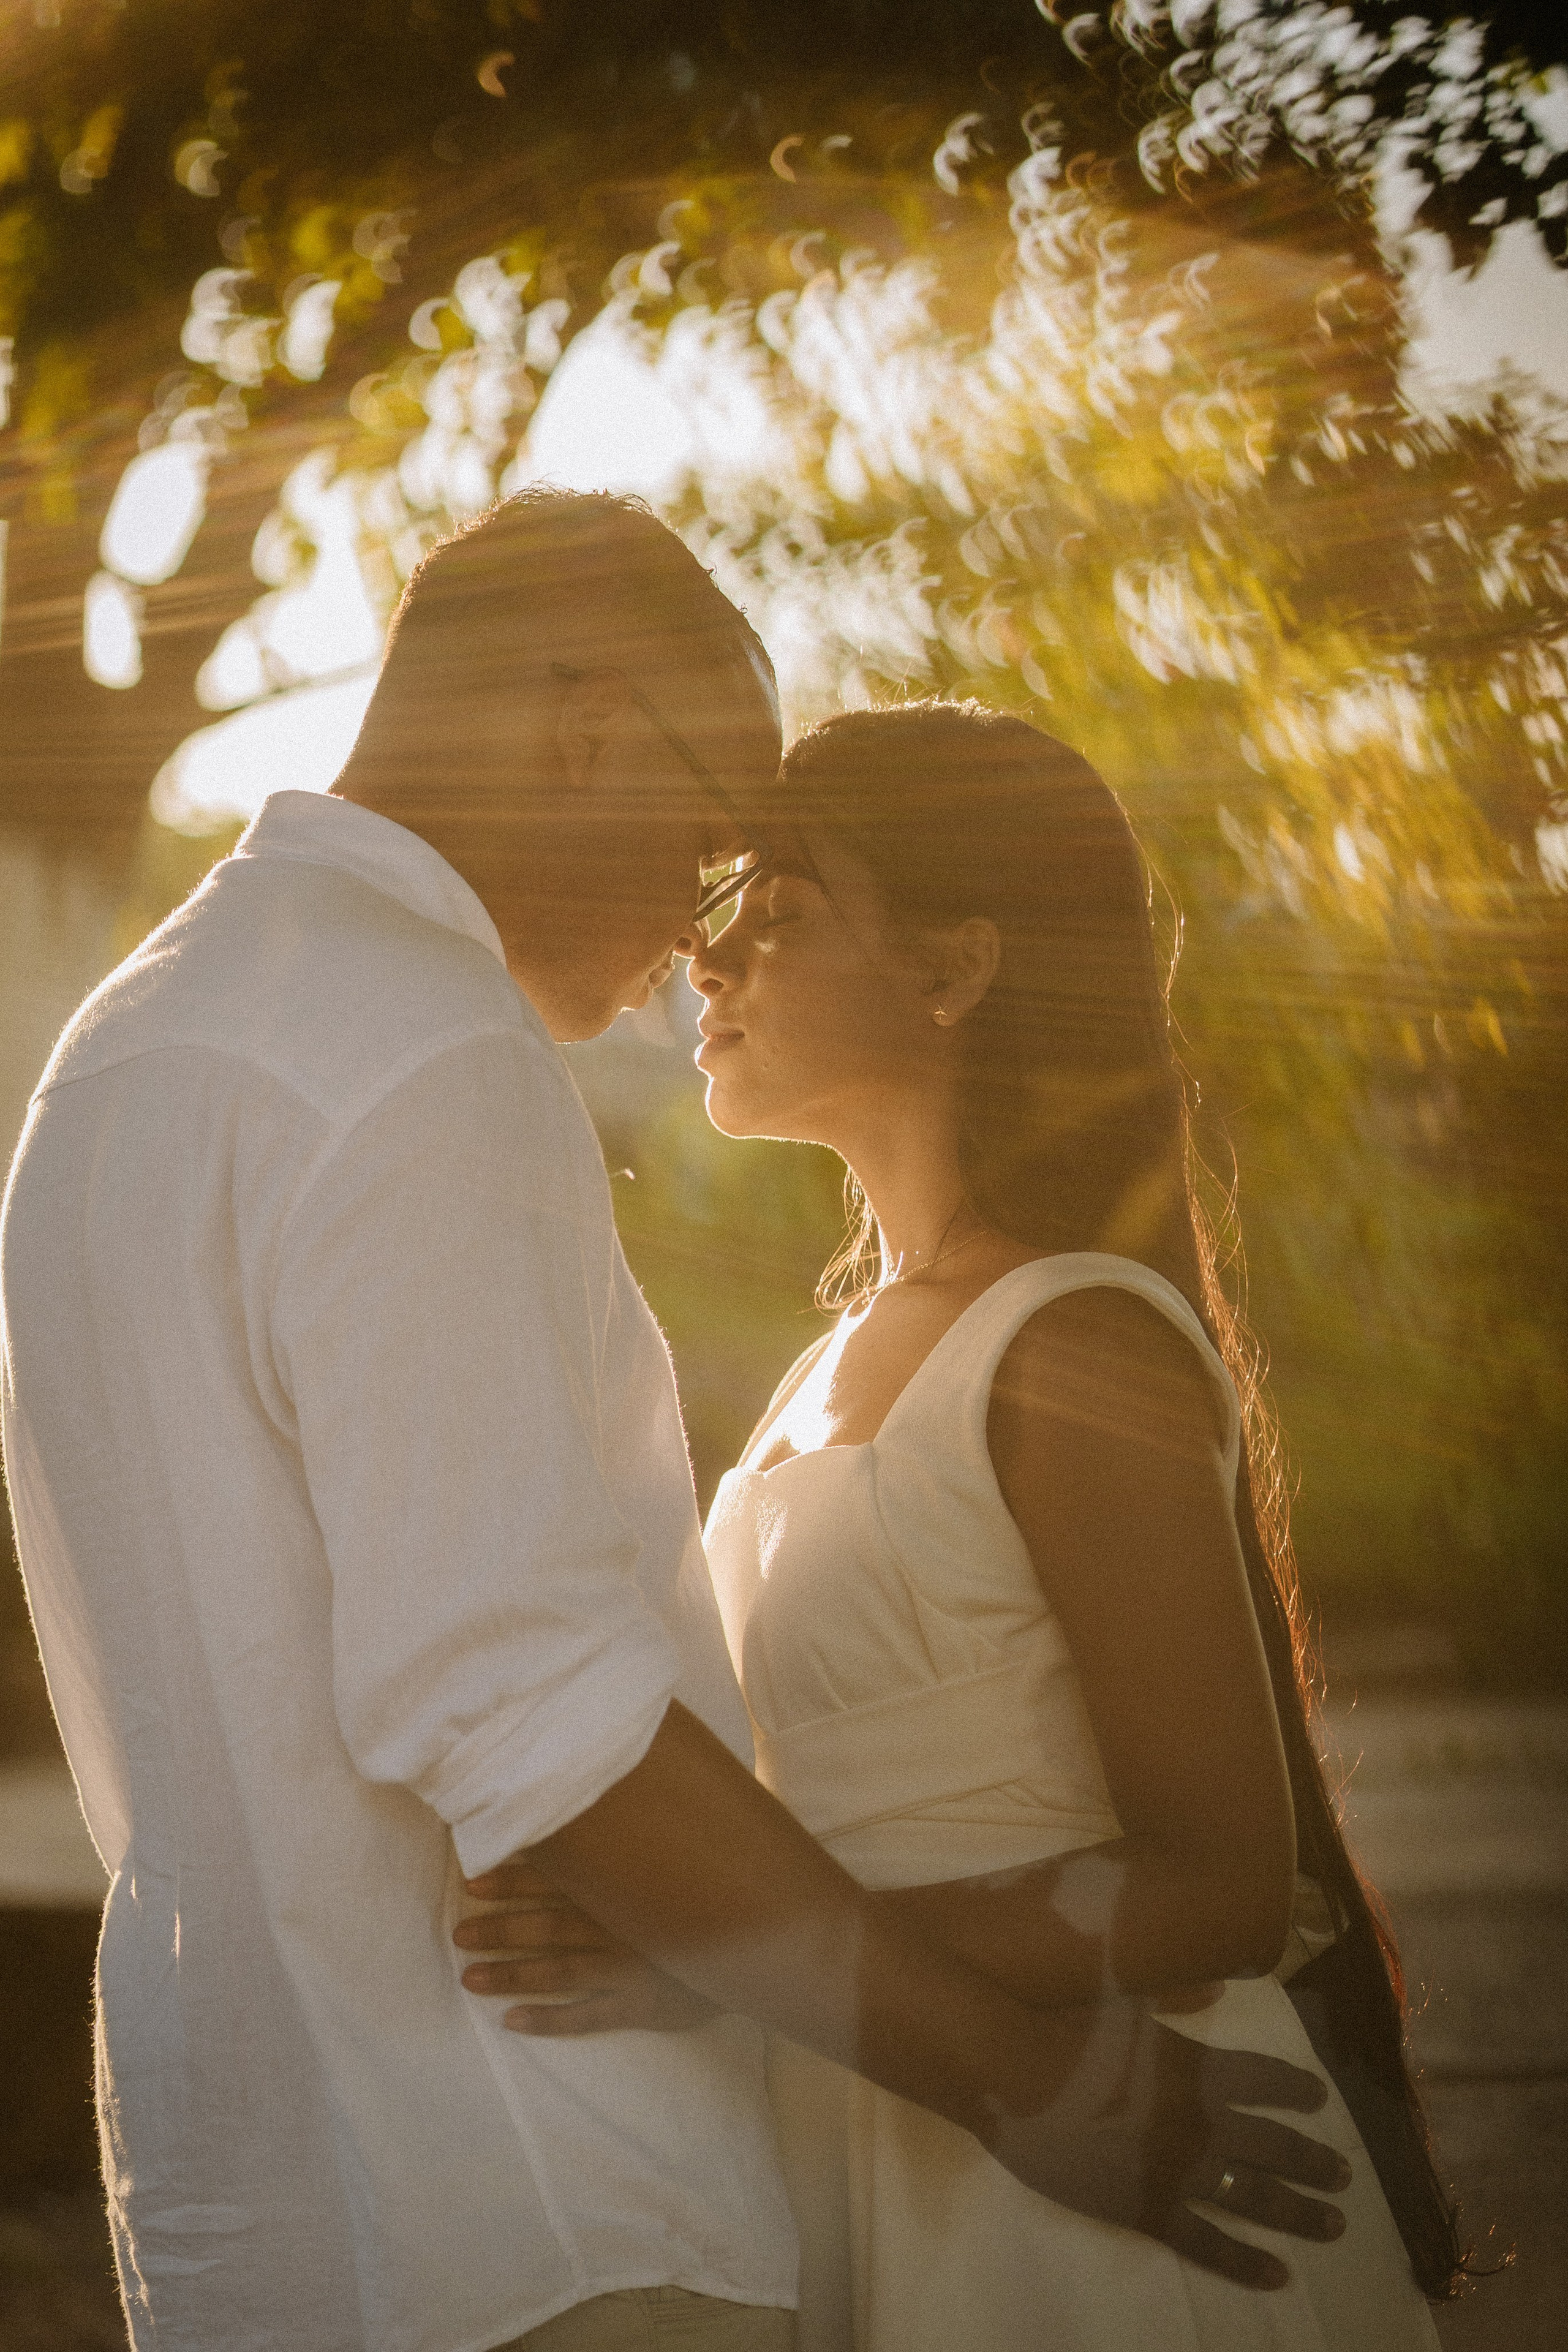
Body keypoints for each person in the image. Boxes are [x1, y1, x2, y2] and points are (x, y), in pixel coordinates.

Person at [2, 499, 1341, 2352]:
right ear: (589, 724)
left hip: (276, 2220)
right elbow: (528, 1703)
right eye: (716, 841)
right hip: (541, 2209)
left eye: (762, 894)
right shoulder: (424, 1050)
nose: (691, 938)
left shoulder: (124, 1052)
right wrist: (1022, 2084)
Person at [458, 701, 1463, 2349]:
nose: (711, 966)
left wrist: (729, 1952)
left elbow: (1225, 1883)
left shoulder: (1075, 1340)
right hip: (885, 2126)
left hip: (1119, 2183)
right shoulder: (823, 1365)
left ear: (957, 965)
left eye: (780, 916)